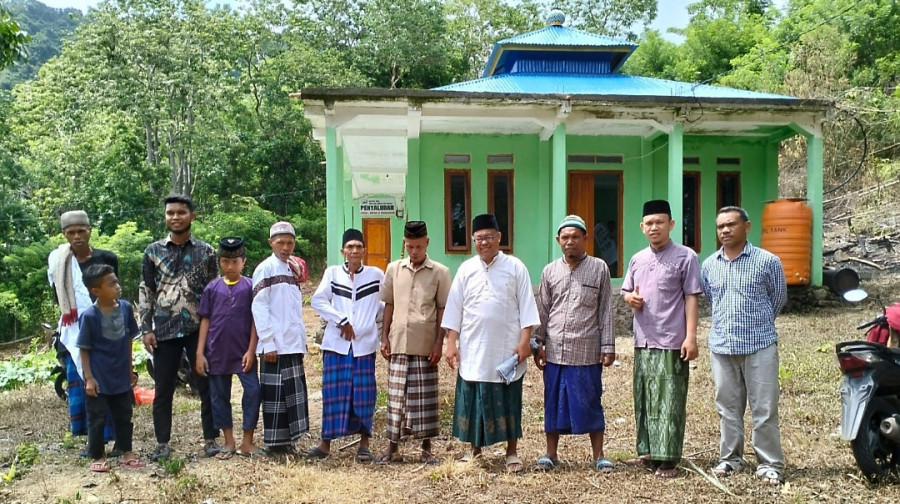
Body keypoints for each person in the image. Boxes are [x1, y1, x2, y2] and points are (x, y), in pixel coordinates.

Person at [442, 214, 540, 473]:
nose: (484, 243)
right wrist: (450, 343)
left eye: (489, 237)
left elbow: (527, 308)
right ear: (473, 241)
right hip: (473, 349)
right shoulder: (465, 269)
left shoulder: (516, 267)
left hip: (506, 349)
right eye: (478, 238)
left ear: (499, 238)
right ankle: (473, 450)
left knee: (509, 401)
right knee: (472, 400)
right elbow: (454, 309)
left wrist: (525, 342)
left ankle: (511, 452)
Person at [701, 206, 787, 486]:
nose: (725, 230)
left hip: (759, 344)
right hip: (722, 346)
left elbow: (778, 298)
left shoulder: (767, 261)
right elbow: (711, 299)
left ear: (746, 227)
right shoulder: (709, 264)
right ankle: (730, 459)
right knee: (727, 406)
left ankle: (770, 463)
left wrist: (757, 325)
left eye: (731, 225)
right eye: (720, 226)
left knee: (764, 407)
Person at [621, 200, 701, 478]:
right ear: (642, 227)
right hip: (643, 340)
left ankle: (668, 460)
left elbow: (691, 298)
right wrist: (629, 298)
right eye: (649, 223)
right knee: (644, 398)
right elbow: (626, 291)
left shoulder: (686, 257)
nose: (654, 227)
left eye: (660, 222)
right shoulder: (637, 258)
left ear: (671, 224)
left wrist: (691, 337)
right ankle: (648, 451)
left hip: (671, 340)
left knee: (669, 400)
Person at [139, 194, 220, 461]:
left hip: (198, 328)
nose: (175, 217)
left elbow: (213, 292)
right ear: (165, 217)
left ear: (192, 216)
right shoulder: (153, 252)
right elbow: (146, 290)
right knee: (163, 389)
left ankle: (211, 439)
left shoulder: (206, 251)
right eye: (170, 213)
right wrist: (145, 328)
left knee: (205, 385)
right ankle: (162, 443)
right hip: (163, 330)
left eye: (181, 212)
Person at [533, 215, 616, 473]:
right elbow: (543, 310)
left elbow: (605, 310)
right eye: (565, 237)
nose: (570, 241)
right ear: (558, 240)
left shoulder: (600, 268)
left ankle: (599, 455)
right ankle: (550, 454)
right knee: (552, 402)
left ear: (585, 239)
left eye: (575, 237)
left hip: (586, 350)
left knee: (590, 401)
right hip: (555, 351)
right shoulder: (549, 271)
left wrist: (608, 346)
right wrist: (538, 343)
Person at [375, 221, 451, 465]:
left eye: (418, 246)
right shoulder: (393, 269)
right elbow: (389, 304)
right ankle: (392, 447)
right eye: (409, 246)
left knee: (425, 398)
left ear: (427, 243)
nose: (414, 251)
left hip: (425, 343)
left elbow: (443, 309)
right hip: (398, 342)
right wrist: (384, 337)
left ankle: (427, 448)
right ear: (404, 244)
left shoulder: (440, 272)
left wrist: (440, 343)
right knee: (397, 397)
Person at [309, 229, 384, 463]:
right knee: (334, 393)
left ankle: (364, 444)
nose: (354, 250)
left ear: (364, 250)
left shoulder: (375, 275)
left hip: (364, 345)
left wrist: (370, 323)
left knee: (364, 394)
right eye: (349, 246)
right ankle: (325, 443)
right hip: (337, 345)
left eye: (358, 246)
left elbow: (383, 304)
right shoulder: (332, 273)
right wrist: (341, 320)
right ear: (343, 251)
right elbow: (318, 300)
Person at [47, 210, 119, 453]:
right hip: (74, 332)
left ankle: (118, 440)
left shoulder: (106, 258)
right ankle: (93, 441)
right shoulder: (59, 262)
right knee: (82, 385)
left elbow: (115, 292)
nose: (77, 236)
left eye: (81, 231)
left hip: (106, 329)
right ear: (64, 234)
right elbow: (60, 299)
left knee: (111, 385)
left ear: (90, 231)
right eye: (71, 232)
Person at [195, 237, 264, 460]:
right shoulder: (212, 288)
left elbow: (256, 319)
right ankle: (228, 441)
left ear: (244, 262)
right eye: (225, 262)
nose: (230, 266)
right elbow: (205, 320)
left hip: (244, 351)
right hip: (216, 351)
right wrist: (199, 353)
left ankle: (247, 441)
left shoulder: (252, 286)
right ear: (220, 263)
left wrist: (252, 349)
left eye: (235, 262)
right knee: (219, 396)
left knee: (253, 391)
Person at [76, 264, 145, 472]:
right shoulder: (89, 316)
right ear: (95, 290)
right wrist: (89, 378)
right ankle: (98, 455)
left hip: (120, 375)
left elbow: (128, 341)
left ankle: (127, 452)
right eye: (111, 283)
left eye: (116, 280)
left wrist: (129, 369)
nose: (118, 286)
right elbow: (84, 349)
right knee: (96, 417)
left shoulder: (125, 308)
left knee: (124, 415)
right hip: (98, 377)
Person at [251, 222, 311, 457]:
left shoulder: (292, 269)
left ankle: (288, 443)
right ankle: (275, 445)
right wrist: (268, 342)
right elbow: (260, 307)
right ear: (271, 243)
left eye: (290, 242)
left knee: (291, 395)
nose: (286, 247)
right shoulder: (265, 268)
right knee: (275, 396)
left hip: (292, 343)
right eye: (281, 242)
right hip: (274, 344)